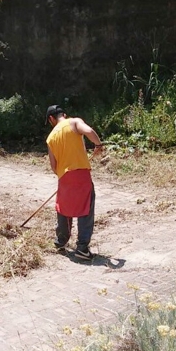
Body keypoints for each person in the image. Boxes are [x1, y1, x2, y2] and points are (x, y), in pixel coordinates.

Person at [45, 105, 103, 260]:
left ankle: (60, 242)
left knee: (63, 207)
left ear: (51, 119)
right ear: (64, 114)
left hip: (63, 176)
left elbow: (53, 165)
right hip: (81, 173)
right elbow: (89, 132)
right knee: (85, 207)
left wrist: (64, 177)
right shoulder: (74, 122)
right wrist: (98, 145)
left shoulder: (50, 137)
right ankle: (82, 248)